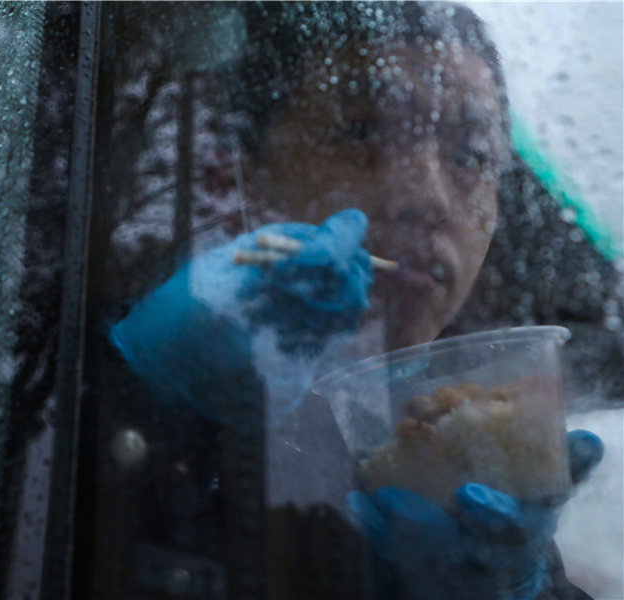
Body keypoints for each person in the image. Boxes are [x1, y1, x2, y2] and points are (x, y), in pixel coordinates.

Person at [109, 3, 606, 599]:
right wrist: (136, 404)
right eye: (362, 131)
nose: (427, 196)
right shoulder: (76, 371)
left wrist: (519, 591)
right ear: (235, 181)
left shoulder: (475, 492)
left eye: (472, 155)